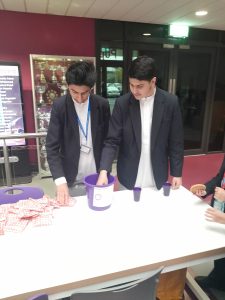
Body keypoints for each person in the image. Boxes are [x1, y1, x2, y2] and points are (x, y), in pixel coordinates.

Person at [97, 55, 185, 300]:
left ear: (153, 82)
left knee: (155, 227)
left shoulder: (170, 102)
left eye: (140, 86)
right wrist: (104, 169)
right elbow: (112, 139)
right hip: (128, 174)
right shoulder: (123, 103)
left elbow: (176, 141)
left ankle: (154, 278)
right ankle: (130, 279)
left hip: (156, 175)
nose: (134, 90)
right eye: (131, 85)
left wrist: (177, 172)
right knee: (128, 227)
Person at [46, 60, 110, 205]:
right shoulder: (60, 106)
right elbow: (51, 147)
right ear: (68, 86)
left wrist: (105, 169)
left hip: (97, 177)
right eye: (74, 92)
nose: (79, 98)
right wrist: (59, 180)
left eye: (85, 93)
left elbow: (108, 141)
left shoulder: (102, 105)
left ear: (91, 88)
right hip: (69, 179)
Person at [192, 154, 225, 292]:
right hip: (219, 209)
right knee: (219, 245)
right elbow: (220, 178)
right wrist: (205, 189)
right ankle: (218, 279)